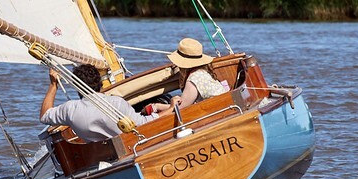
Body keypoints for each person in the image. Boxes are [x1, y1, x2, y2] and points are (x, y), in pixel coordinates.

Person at [40, 64, 179, 142]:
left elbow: (44, 116)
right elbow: (143, 124)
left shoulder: (70, 109)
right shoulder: (117, 103)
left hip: (98, 157)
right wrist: (171, 108)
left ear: (77, 87)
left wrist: (53, 85)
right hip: (127, 150)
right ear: (100, 84)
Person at [167, 37, 229, 107]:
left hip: (217, 109)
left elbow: (181, 108)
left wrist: (157, 106)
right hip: (225, 104)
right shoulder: (203, 72)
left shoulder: (193, 79)